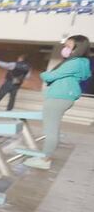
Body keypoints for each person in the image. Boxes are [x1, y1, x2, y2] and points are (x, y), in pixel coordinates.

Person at [24, 36, 91, 170]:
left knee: (51, 130)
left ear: (78, 47)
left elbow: (50, 76)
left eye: (68, 46)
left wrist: (44, 74)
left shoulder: (75, 62)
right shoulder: (82, 62)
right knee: (53, 128)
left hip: (58, 97)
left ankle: (44, 159)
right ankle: (46, 156)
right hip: (65, 97)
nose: (65, 49)